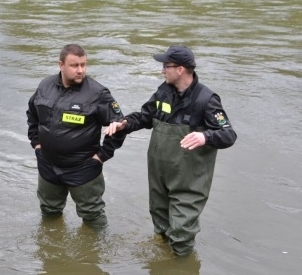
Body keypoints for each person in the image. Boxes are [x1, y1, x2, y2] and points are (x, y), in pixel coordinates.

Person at [106, 45, 236, 255]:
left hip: (189, 181)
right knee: (161, 223)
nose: (162, 70)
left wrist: (205, 136)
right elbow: (145, 117)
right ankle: (162, 268)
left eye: (166, 66)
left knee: (181, 233)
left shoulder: (206, 100)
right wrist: (125, 123)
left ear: (181, 70)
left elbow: (229, 135)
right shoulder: (163, 92)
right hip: (160, 175)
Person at [27, 44, 126, 227]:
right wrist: (36, 143)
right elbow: (32, 114)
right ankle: (52, 252)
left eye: (83, 65)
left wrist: (102, 156)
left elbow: (119, 126)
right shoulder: (44, 86)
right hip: (48, 165)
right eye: (74, 65)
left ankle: (94, 252)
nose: (80, 70)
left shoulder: (98, 93)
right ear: (61, 65)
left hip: (83, 168)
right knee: (49, 211)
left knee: (92, 216)